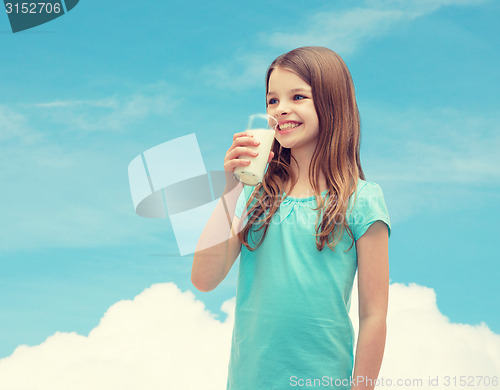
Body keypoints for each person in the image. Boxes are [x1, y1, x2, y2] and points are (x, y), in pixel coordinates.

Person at [191, 46, 391, 390]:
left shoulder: (361, 199)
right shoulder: (254, 195)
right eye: (272, 101)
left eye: (297, 96)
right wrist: (230, 188)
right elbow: (204, 279)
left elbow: (374, 316)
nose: (281, 109)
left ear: (332, 102)